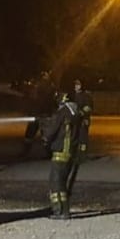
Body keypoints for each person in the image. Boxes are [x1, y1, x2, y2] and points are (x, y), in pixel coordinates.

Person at [39, 90, 82, 219]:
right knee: (62, 181)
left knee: (56, 182)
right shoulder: (76, 113)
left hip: (60, 151)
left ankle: (61, 211)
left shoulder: (62, 113)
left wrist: (44, 127)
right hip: (71, 152)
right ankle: (63, 210)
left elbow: (52, 130)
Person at [68, 78, 95, 195]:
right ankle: (74, 153)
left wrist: (82, 114)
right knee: (74, 137)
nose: (76, 86)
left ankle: (82, 155)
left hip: (83, 120)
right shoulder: (72, 95)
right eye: (75, 85)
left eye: (78, 85)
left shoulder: (86, 96)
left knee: (83, 138)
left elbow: (89, 107)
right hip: (75, 120)